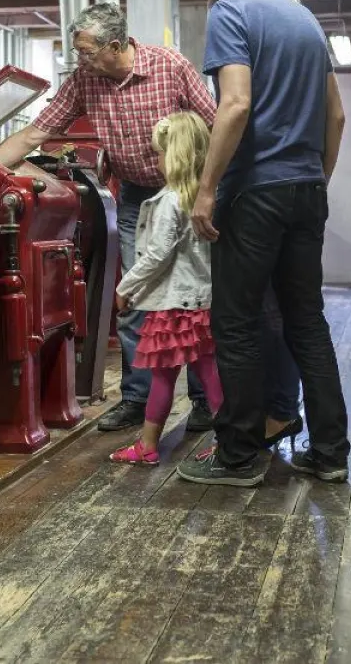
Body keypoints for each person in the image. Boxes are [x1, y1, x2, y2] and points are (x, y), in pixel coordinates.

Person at [176, 0, 350, 488]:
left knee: (236, 323)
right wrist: (313, 179)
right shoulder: (304, 18)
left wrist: (205, 190)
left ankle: (239, 454)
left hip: (255, 193)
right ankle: (328, 450)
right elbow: (337, 115)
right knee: (306, 320)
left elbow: (235, 105)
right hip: (306, 190)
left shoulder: (231, 13)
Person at [0, 3, 217, 435]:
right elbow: (36, 133)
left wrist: (209, 190)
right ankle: (137, 399)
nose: (81, 61)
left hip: (185, 195)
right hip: (133, 197)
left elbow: (215, 123)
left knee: (192, 298)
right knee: (134, 299)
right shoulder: (84, 81)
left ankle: (205, 403)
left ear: (116, 45)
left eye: (88, 52)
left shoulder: (171, 66)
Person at [108, 112, 225, 464]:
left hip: (176, 304)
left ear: (173, 156)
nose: (155, 160)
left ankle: (153, 445)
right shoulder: (206, 199)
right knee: (207, 372)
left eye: (159, 153)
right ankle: (222, 440)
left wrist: (126, 286)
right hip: (202, 300)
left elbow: (157, 253)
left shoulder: (170, 201)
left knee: (170, 375)